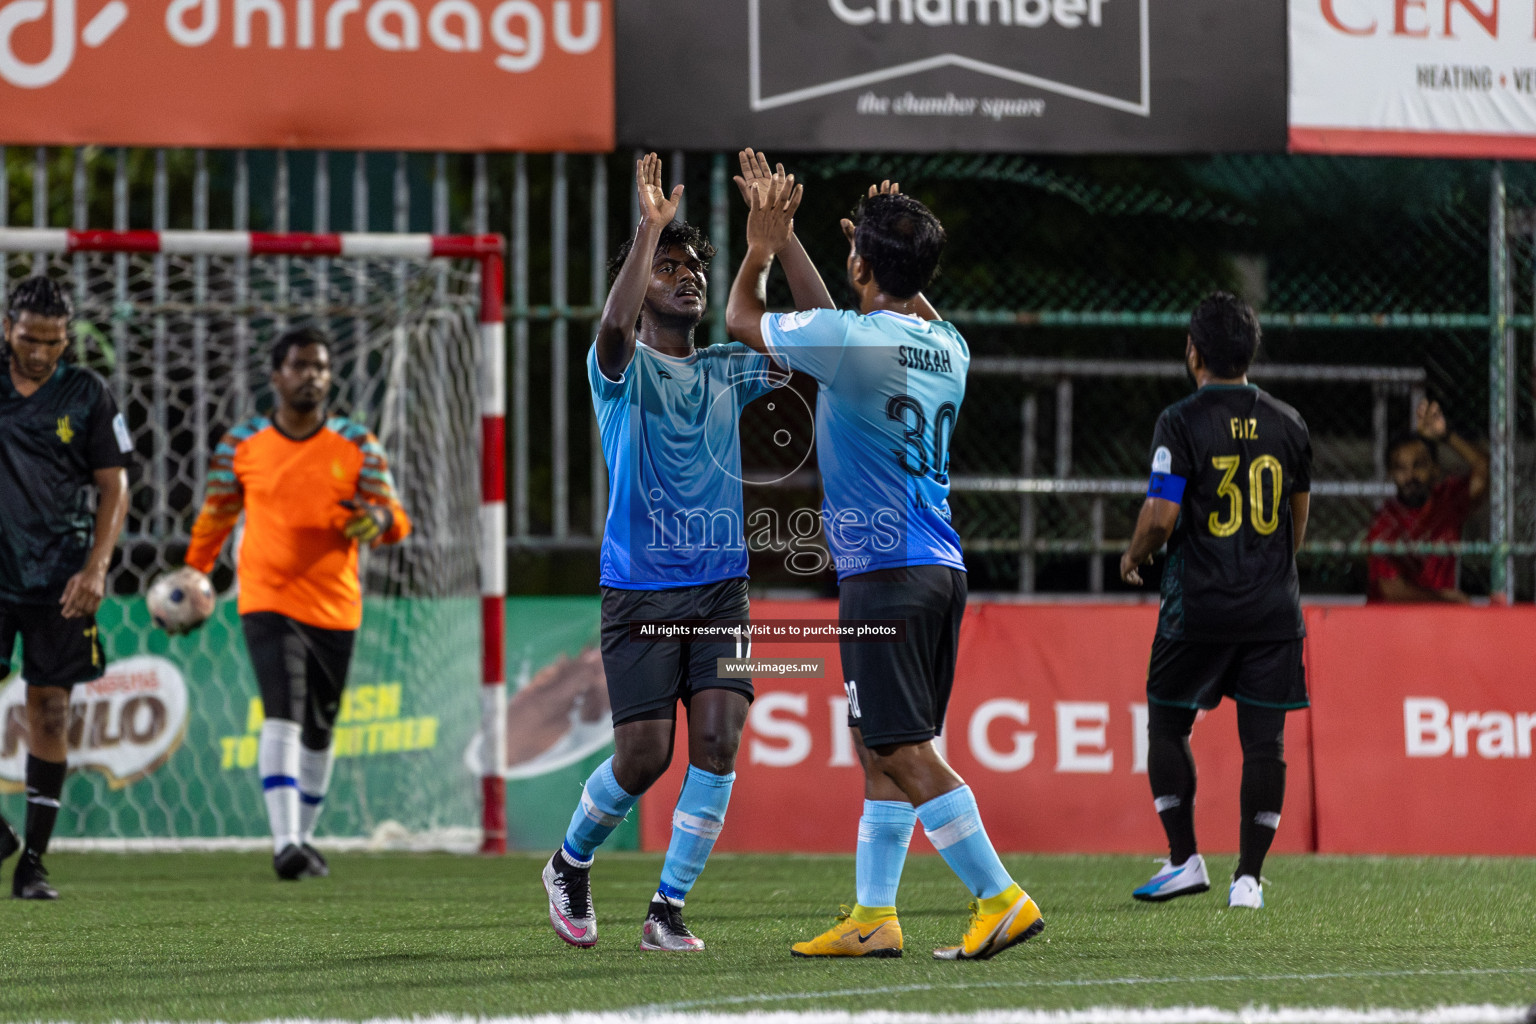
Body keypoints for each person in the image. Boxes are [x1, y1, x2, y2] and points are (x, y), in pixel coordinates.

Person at [725, 154, 1044, 961]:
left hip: (886, 576)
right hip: (939, 568)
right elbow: (859, 319)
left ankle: (1000, 897)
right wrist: (841, 246)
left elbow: (740, 320)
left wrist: (764, 246)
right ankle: (875, 915)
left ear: (861, 264)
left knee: (899, 745)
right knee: (880, 741)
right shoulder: (950, 347)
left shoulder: (852, 342)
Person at [540, 153, 784, 953]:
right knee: (643, 759)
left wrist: (764, 250)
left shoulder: (724, 370)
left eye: (693, 270)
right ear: (639, 284)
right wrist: (648, 229)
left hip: (724, 593)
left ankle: (666, 909)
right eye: (667, 268)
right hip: (640, 594)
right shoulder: (617, 370)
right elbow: (611, 329)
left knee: (717, 743)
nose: (686, 279)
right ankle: (570, 862)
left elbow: (800, 348)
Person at [184, 325, 411, 881]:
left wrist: (376, 519)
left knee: (320, 728)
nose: (314, 376)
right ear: (276, 376)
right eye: (302, 366)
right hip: (264, 596)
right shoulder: (241, 445)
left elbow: (396, 519)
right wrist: (194, 574)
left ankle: (302, 840)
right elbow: (215, 516)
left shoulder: (358, 443)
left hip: (335, 606)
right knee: (282, 709)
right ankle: (284, 841)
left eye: (322, 367)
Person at [1119, 292, 1311, 910]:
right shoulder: (1290, 423)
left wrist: (1135, 552)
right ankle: (1248, 880)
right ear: (1250, 352)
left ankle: (1184, 860)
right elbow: (1296, 525)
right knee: (1266, 744)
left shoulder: (1180, 421)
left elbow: (1162, 515)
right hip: (1272, 608)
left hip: (1198, 607)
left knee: (1167, 722)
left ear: (1193, 352)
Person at [0, 276, 132, 899]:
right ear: (7, 329)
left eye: (54, 342)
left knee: (50, 709)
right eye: (30, 338)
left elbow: (115, 484)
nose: (41, 352)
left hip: (59, 578)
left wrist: (97, 567)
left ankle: (32, 863)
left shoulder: (88, 393)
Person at [1366, 400, 1488, 602]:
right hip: (1392, 625)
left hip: (1437, 621)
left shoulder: (1447, 501)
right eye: (1400, 468)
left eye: (1419, 465)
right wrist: (1447, 601)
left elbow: (1485, 470)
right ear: (1391, 474)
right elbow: (1392, 591)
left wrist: (1446, 435)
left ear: (1435, 470)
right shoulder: (1384, 522)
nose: (1410, 475)